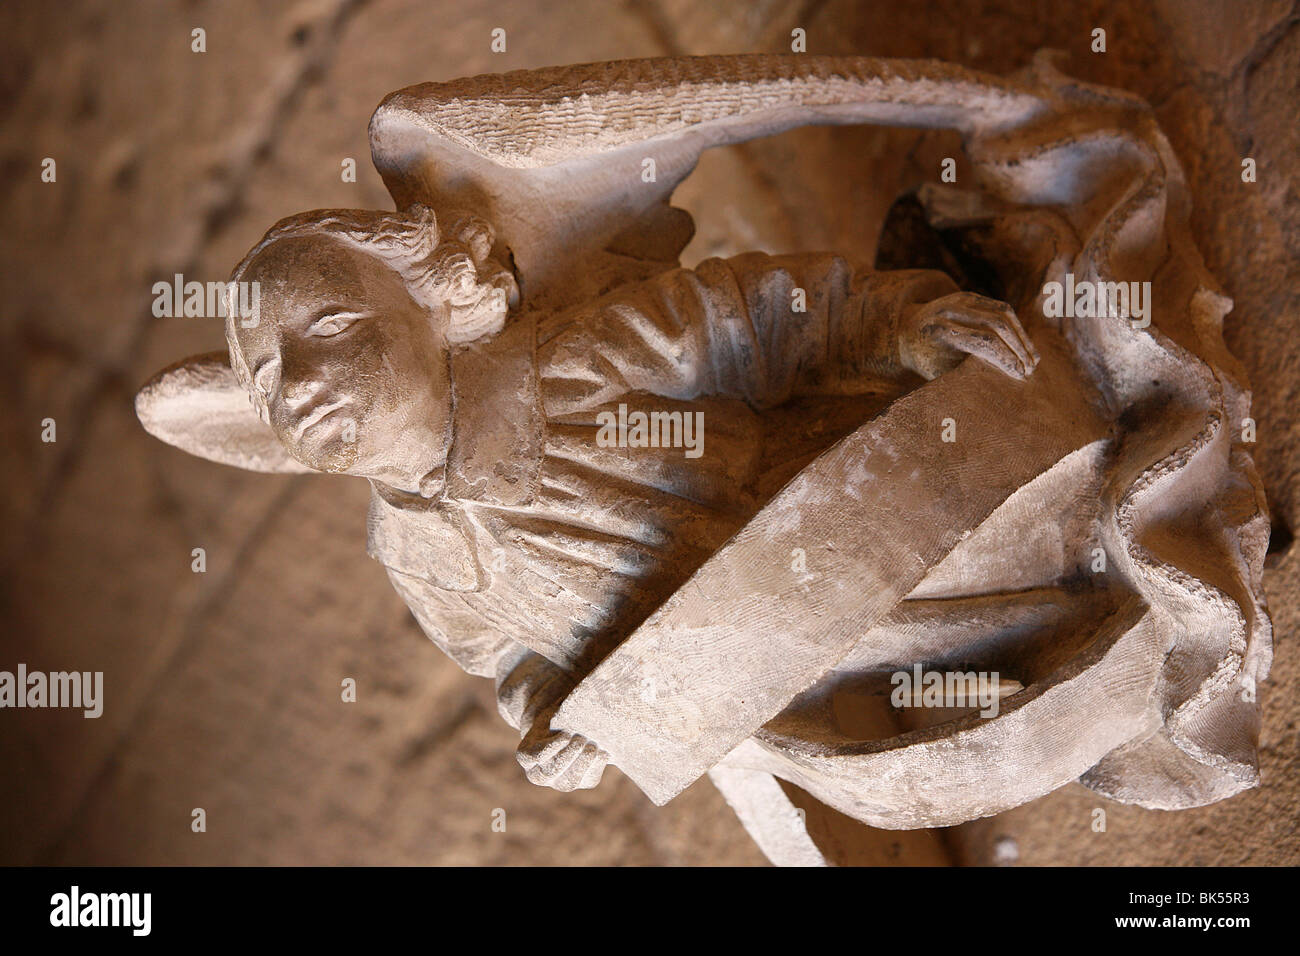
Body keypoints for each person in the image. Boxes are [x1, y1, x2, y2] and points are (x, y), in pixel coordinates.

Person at [225, 203, 1038, 791]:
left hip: (859, 518)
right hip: (765, 673)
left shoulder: (562, 365)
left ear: (432, 303)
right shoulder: (411, 554)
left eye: (330, 327)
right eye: (266, 381)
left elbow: (747, 326)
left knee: (1025, 563)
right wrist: (559, 719)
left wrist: (899, 324)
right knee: (939, 735)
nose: (299, 385)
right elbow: (509, 656)